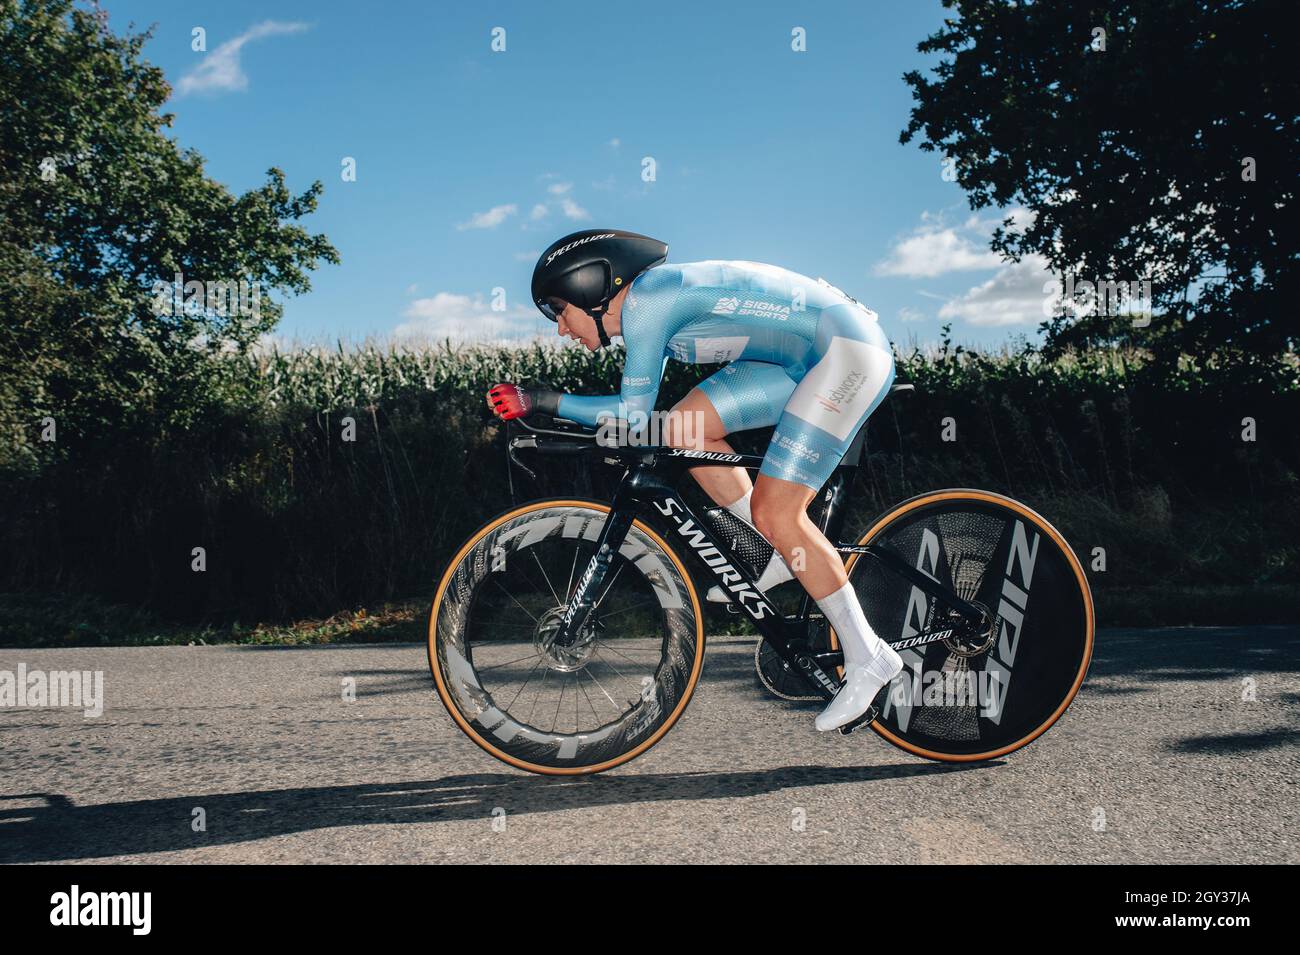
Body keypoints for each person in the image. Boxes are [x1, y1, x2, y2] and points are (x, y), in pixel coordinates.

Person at [487, 229, 902, 731]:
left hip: (847, 353)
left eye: (559, 311)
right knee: (685, 429)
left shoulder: (648, 302)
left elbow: (631, 414)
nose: (560, 329)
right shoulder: (652, 309)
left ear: (590, 286)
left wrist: (542, 401)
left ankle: (869, 656)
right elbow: (652, 424)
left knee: (779, 510)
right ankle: (770, 554)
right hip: (800, 360)